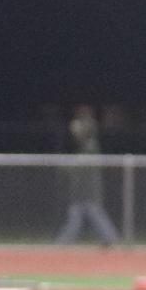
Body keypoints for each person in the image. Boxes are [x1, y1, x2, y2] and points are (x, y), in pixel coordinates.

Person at [54, 104, 123, 245]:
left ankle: (63, 244)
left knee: (88, 213)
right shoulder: (84, 146)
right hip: (81, 190)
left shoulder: (90, 146)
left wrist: (63, 168)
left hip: (89, 188)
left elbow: (80, 166)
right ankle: (110, 239)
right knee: (80, 214)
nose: (76, 134)